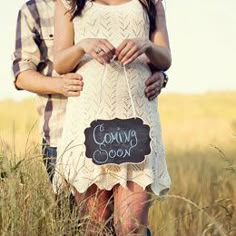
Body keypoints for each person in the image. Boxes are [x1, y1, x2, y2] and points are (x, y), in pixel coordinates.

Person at [12, 0, 165, 183]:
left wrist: (160, 75)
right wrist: (59, 85)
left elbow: (143, 52)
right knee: (73, 210)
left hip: (121, 128)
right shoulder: (34, 9)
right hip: (61, 133)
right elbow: (21, 74)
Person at [53, 0, 172, 235]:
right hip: (88, 122)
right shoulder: (67, 2)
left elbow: (165, 58)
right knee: (95, 228)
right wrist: (83, 46)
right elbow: (60, 63)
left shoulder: (151, 2)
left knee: (132, 227)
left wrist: (146, 45)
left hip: (138, 122)